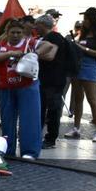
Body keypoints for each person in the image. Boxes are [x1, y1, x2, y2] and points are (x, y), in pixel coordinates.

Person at [0, 19, 54, 159]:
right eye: (13, 32)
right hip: (7, 87)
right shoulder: (1, 45)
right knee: (7, 120)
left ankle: (30, 152)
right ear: (7, 33)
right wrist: (10, 54)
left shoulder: (29, 43)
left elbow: (48, 45)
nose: (16, 35)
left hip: (27, 86)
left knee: (30, 119)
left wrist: (35, 54)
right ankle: (8, 149)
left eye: (19, 32)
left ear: (23, 33)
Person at [65, 7, 96, 142]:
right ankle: (76, 128)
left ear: (92, 20)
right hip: (77, 67)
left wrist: (84, 49)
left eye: (86, 19)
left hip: (90, 67)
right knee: (77, 99)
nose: (84, 22)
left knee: (92, 99)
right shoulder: (83, 33)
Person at [34, 14, 67, 148]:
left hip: (53, 79)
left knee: (52, 109)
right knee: (42, 108)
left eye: (37, 25)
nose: (35, 27)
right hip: (48, 78)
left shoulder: (53, 37)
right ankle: (39, 135)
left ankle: (50, 138)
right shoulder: (50, 37)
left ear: (42, 25)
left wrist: (33, 55)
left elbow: (50, 56)